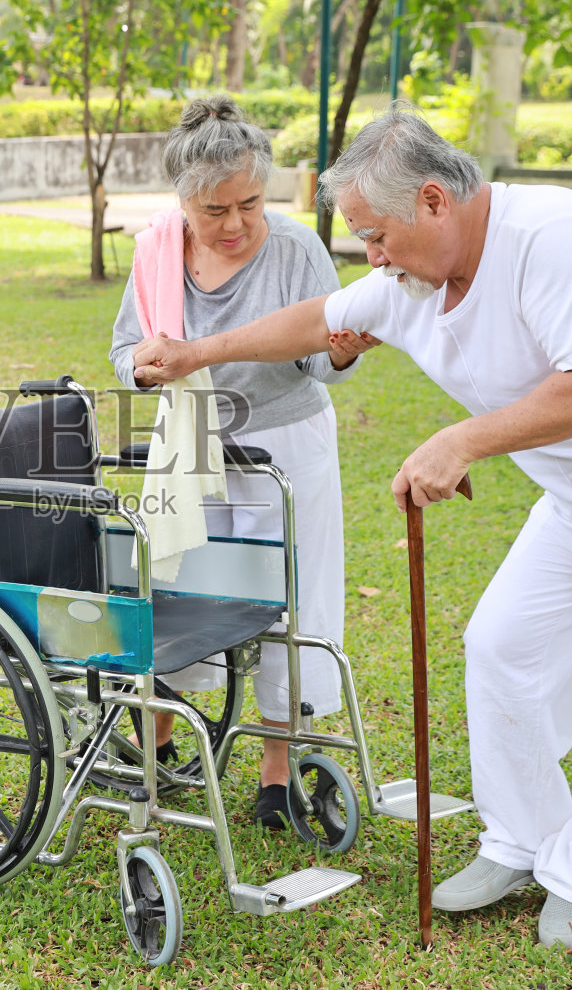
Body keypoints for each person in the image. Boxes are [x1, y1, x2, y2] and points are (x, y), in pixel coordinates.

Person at [131, 104, 572, 947]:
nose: (371, 255)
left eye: (376, 235)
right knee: (502, 648)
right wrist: (195, 354)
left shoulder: (552, 236)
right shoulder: (414, 279)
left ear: (434, 202)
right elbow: (319, 319)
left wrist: (465, 437)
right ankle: (521, 839)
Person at [108, 95, 377, 828]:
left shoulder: (293, 250)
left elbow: (324, 360)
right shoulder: (155, 251)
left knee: (291, 599)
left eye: (250, 204)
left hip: (285, 448)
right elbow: (124, 348)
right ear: (184, 203)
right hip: (188, 446)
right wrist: (142, 364)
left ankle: (275, 774)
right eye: (214, 211)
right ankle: (155, 746)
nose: (234, 225)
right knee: (178, 592)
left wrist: (342, 347)